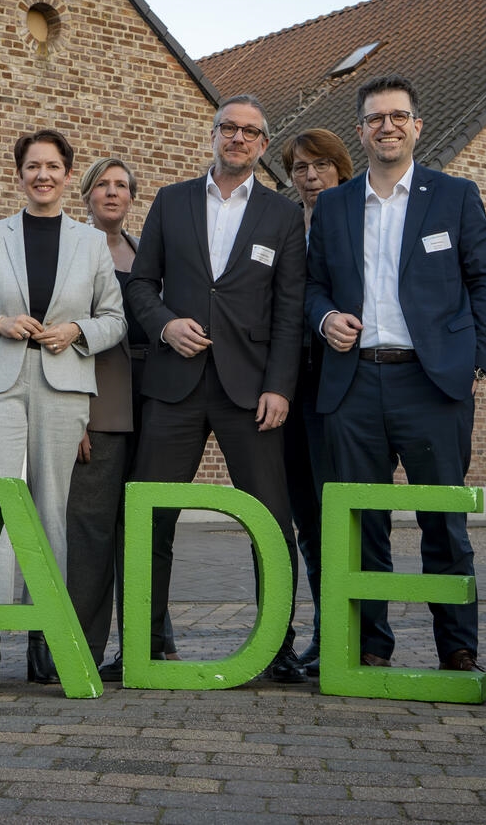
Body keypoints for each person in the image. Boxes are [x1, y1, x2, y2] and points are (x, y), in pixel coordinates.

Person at [305, 75, 486, 694]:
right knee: (360, 523)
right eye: (374, 118)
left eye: (397, 116)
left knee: (443, 521)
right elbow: (311, 286)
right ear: (360, 130)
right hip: (353, 384)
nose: (386, 126)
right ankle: (369, 651)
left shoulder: (455, 196)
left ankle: (459, 654)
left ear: (417, 126)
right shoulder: (335, 205)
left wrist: (472, 363)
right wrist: (324, 318)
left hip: (432, 384)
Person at [127, 94, 308, 684]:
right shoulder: (171, 200)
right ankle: (146, 642)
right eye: (228, 127)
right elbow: (141, 284)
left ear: (262, 144)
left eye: (250, 131)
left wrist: (280, 386)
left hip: (251, 392)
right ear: (212, 135)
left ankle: (276, 645)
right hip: (172, 386)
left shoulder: (282, 217)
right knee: (152, 519)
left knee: (272, 521)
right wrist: (164, 324)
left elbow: (289, 311)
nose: (238, 138)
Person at [0, 129, 125, 689]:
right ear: (18, 173)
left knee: (53, 508)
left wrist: (75, 330)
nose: (42, 175)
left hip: (64, 383)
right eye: (32, 166)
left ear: (68, 175)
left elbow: (115, 320)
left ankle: (47, 641)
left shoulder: (91, 244)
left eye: (52, 166)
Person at [62, 157, 158, 677]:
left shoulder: (146, 251)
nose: (113, 192)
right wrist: (74, 411)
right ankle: (82, 651)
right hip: (99, 405)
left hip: (155, 403)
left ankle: (145, 645)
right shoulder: (70, 247)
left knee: (142, 531)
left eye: (122, 185)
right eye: (103, 184)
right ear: (86, 193)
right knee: (91, 531)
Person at [281, 129, 353, 675]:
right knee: (305, 516)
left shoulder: (355, 218)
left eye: (321, 166)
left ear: (340, 168)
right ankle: (323, 629)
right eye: (301, 168)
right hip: (290, 384)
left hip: (338, 385)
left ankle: (346, 632)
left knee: (337, 514)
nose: (310, 177)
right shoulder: (283, 224)